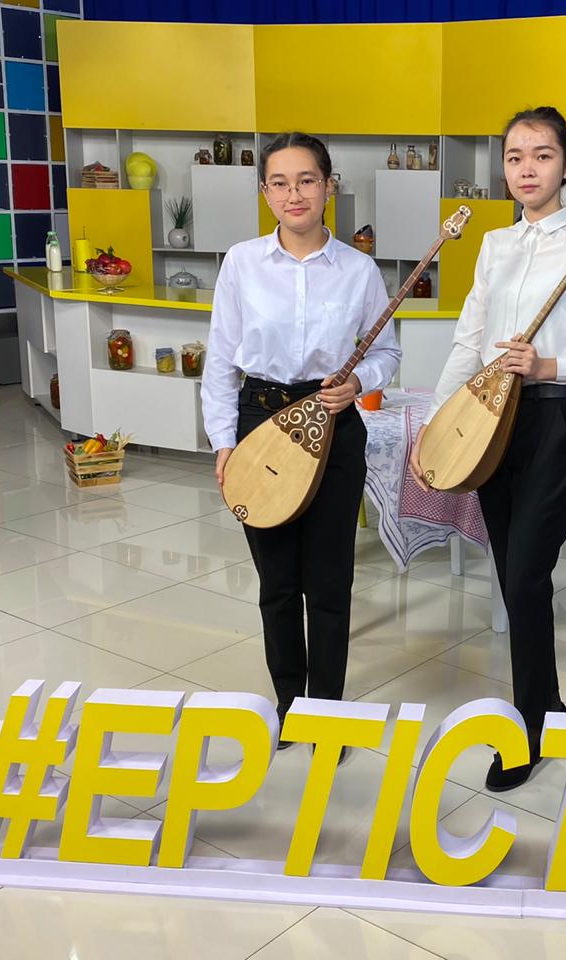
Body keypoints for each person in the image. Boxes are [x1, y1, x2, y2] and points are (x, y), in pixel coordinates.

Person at [409, 106, 566, 791]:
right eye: (514, 157)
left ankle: (530, 731)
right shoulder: (494, 245)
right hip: (487, 423)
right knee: (512, 576)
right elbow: (468, 341)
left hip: (550, 422)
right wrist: (435, 422)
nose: (527, 169)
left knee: (524, 578)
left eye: (542, 155)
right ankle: (548, 704)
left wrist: (551, 366)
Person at [203, 132, 400, 749]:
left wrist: (359, 382)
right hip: (259, 423)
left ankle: (327, 715)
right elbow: (220, 361)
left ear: (328, 187)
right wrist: (223, 441)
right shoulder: (241, 263)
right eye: (280, 183)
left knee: (330, 581)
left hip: (334, 428)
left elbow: (387, 353)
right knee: (279, 583)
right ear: (265, 192)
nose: (295, 194)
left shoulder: (359, 270)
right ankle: (290, 705)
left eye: (307, 180)